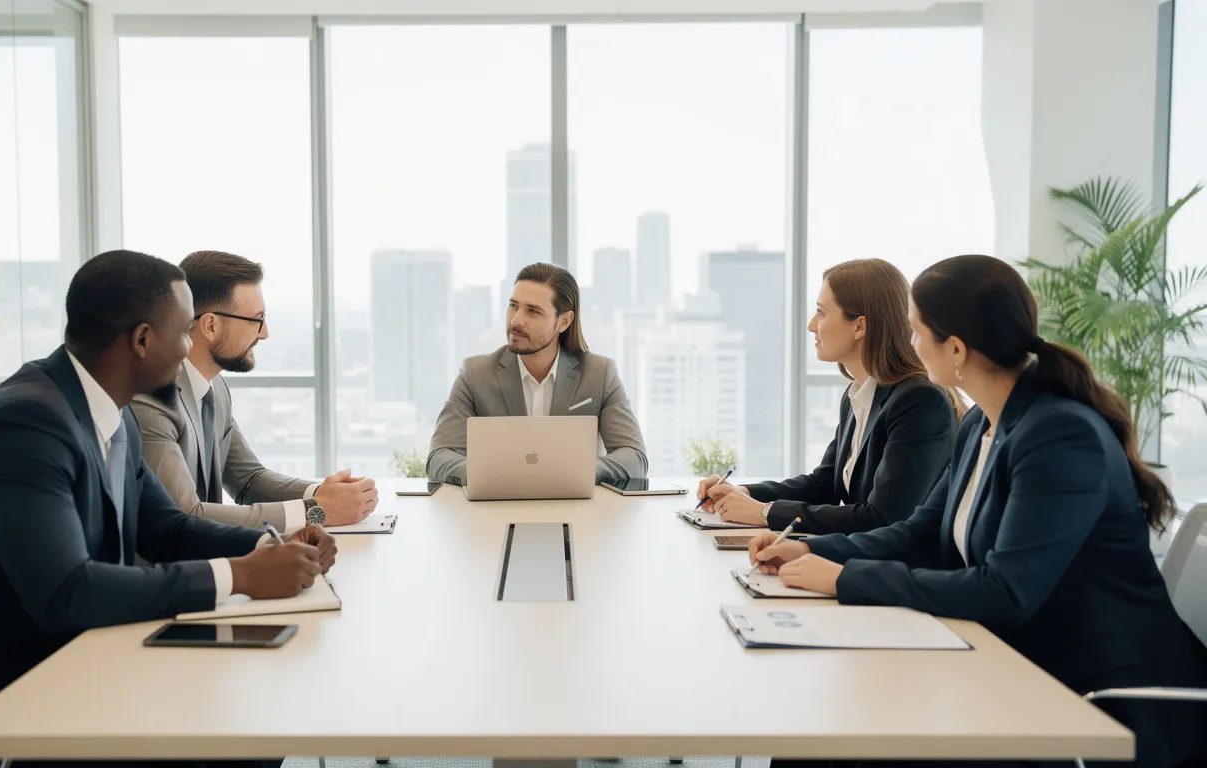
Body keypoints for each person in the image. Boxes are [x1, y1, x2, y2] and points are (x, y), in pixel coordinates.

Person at [0, 250, 334, 768]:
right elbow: (68, 591)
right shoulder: (25, 424)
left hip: (67, 662)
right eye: (183, 333)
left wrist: (272, 546)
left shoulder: (111, 414)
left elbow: (167, 528)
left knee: (247, 726)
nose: (188, 349)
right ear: (142, 340)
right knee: (232, 741)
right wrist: (240, 575)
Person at [749, 254, 1207, 768]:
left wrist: (844, 578)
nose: (911, 344)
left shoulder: (1060, 434)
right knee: (822, 731)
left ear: (958, 349)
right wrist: (808, 547)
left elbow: (1004, 590)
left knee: (864, 741)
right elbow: (921, 533)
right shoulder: (979, 426)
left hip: (1092, 694)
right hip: (1008, 658)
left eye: (918, 331)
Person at [697, 259, 960, 534]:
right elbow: (824, 486)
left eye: (821, 313)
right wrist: (744, 492)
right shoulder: (858, 395)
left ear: (860, 326)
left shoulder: (919, 402)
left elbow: (882, 519)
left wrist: (765, 513)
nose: (811, 325)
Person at [132, 250, 377, 531]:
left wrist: (323, 494)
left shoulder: (215, 389)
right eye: (256, 320)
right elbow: (184, 516)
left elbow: (247, 479)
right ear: (211, 325)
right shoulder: (152, 397)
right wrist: (317, 511)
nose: (264, 333)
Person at [428, 262, 647, 485]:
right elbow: (439, 457)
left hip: (577, 510)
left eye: (532, 311)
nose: (515, 321)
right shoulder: (474, 375)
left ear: (564, 321)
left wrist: (575, 472)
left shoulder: (600, 375)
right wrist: (495, 474)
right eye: (513, 306)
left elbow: (634, 457)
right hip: (496, 509)